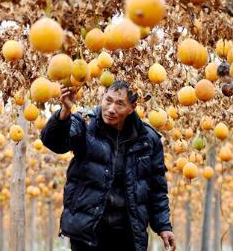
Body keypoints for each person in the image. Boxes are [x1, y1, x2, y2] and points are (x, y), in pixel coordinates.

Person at [40, 80, 176, 251]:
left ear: (132, 107)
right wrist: (65, 112)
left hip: (127, 233)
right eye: (108, 100)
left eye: (120, 104)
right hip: (88, 230)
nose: (111, 109)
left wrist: (163, 226)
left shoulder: (148, 140)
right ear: (102, 97)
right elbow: (53, 142)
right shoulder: (85, 122)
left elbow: (157, 189)